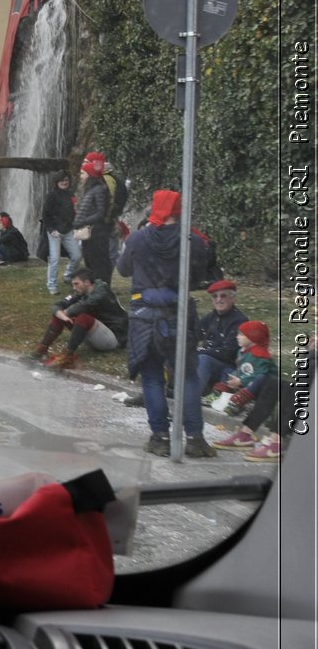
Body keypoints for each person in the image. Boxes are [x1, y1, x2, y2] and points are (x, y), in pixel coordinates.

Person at [116, 189, 214, 457]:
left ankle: (159, 438)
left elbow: (123, 269)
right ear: (178, 209)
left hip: (144, 316)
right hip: (177, 313)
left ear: (155, 208)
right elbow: (198, 278)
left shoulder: (137, 239)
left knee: (152, 378)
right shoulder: (192, 241)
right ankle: (195, 439)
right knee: (187, 377)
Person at [22, 268, 128, 368]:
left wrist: (66, 312)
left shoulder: (102, 291)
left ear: (86, 282)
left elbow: (86, 305)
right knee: (61, 316)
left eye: (76, 284)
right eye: (73, 285)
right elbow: (58, 304)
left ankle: (69, 356)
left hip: (113, 338)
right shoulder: (82, 292)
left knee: (82, 317)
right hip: (96, 335)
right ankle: (42, 350)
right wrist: (59, 313)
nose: (74, 288)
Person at [208, 320, 277, 419]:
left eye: (241, 335)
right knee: (228, 371)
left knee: (261, 377)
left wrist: (241, 381)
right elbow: (242, 368)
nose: (237, 337)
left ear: (253, 337)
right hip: (247, 380)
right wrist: (235, 378)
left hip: (264, 387)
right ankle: (220, 393)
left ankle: (238, 402)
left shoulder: (260, 355)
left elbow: (260, 374)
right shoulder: (242, 351)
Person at [192, 279, 249, 399]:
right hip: (210, 363)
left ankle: (192, 396)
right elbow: (194, 334)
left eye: (223, 296)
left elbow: (228, 353)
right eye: (214, 296)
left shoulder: (239, 321)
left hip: (229, 369)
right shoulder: (211, 317)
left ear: (233, 298)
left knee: (203, 359)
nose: (218, 300)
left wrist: (200, 351)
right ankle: (176, 388)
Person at [72, 153, 113, 284]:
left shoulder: (99, 189)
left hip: (96, 233)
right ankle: (94, 288)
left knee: (98, 263)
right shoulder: (91, 189)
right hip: (90, 233)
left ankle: (100, 289)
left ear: (90, 176)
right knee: (90, 261)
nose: (81, 176)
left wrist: (83, 221)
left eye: (83, 174)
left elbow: (100, 212)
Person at [40, 172, 79, 293]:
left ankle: (68, 275)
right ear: (57, 182)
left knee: (77, 255)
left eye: (66, 180)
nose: (64, 182)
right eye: (62, 180)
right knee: (54, 258)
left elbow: (74, 211)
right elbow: (45, 214)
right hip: (55, 231)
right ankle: (52, 284)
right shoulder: (51, 195)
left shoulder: (71, 194)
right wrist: (51, 230)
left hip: (68, 230)